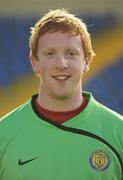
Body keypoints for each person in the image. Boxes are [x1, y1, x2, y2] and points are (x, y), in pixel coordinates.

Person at [0, 9, 123, 180]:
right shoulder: (3, 133)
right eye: (50, 54)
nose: (61, 64)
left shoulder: (119, 131)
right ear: (35, 62)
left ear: (86, 61)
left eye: (71, 53)